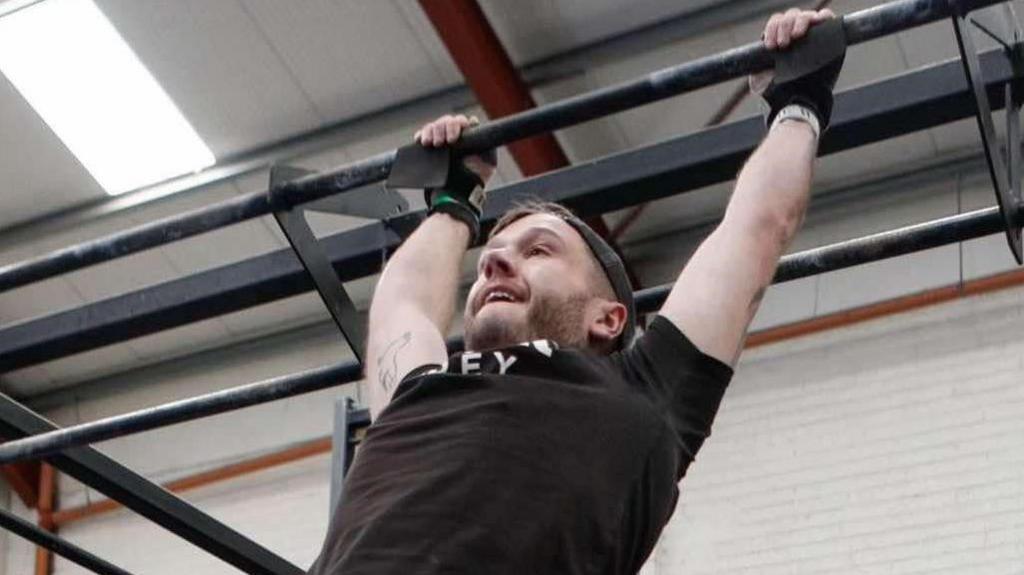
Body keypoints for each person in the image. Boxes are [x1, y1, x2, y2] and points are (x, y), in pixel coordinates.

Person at [309, 8, 841, 575]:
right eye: (492, 256)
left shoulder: (646, 394)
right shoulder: (421, 390)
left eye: (537, 250)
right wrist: (455, 200)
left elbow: (755, 230)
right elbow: (403, 302)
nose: (494, 261)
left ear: (609, 319)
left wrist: (798, 101)